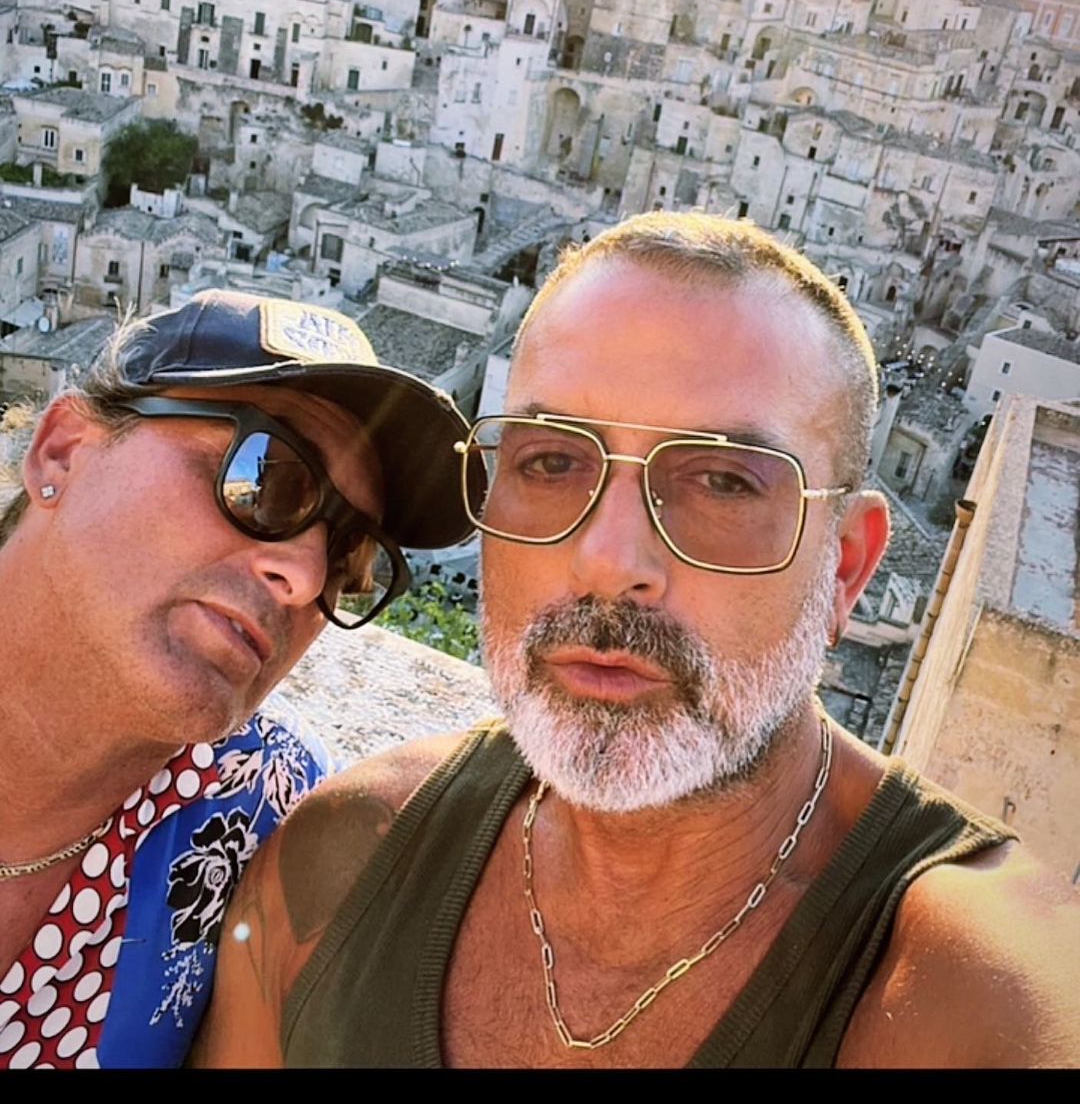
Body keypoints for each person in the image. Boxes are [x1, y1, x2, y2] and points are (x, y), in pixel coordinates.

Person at [194, 215, 1080, 1069]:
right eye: (550, 462)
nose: (610, 562)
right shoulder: (338, 864)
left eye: (724, 482)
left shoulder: (984, 998)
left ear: (844, 567)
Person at [0, 288, 478, 1070]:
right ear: (63, 451)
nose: (305, 576)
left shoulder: (267, 813)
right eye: (263, 477)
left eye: (349, 557)